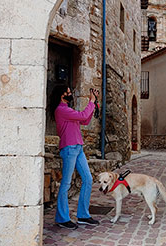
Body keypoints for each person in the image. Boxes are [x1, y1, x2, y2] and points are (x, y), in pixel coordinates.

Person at [49, 84, 100, 230]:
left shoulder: (69, 110)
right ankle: (62, 218)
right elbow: (83, 115)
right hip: (69, 148)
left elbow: (85, 120)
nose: (70, 94)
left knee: (88, 179)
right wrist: (90, 101)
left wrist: (93, 104)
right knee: (66, 183)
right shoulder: (61, 110)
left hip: (78, 147)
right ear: (62, 95)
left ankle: (83, 215)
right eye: (68, 92)